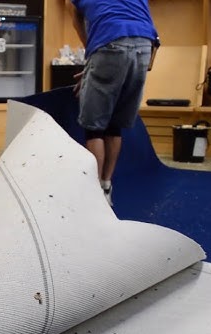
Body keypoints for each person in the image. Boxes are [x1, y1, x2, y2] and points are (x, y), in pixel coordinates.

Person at [70, 0, 159, 206]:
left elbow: (76, 18)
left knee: (94, 126)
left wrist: (94, 61)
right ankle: (106, 185)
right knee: (114, 123)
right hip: (145, 44)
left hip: (109, 40)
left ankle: (93, 195)